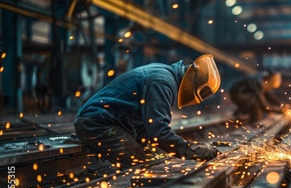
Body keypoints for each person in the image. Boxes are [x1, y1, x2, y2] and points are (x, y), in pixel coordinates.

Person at [74, 54, 221, 167]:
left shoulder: (164, 73)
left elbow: (152, 127)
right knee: (137, 161)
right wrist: (193, 151)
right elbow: (159, 133)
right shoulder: (162, 82)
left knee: (152, 154)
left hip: (114, 122)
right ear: (191, 80)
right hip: (97, 124)